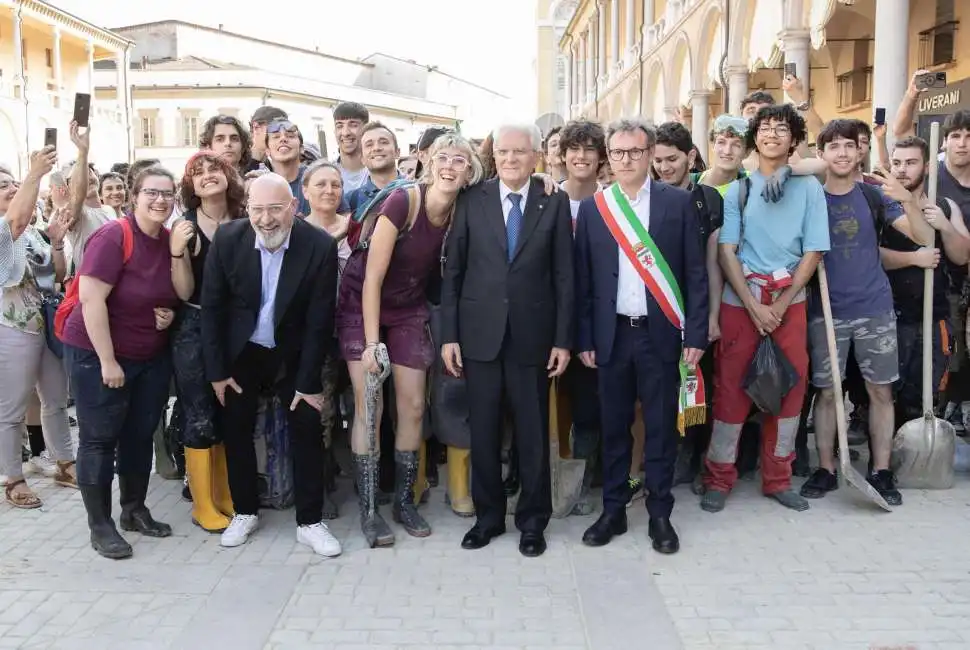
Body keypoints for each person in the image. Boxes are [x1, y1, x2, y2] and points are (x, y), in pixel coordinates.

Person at [338, 132, 483, 544]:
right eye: (444, 158)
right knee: (371, 403)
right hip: (362, 302)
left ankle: (403, 501)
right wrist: (370, 344)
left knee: (415, 405)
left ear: (470, 171)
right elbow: (372, 278)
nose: (451, 166)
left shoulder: (463, 209)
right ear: (428, 162)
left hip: (408, 307)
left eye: (460, 160)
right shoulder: (404, 201)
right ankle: (369, 510)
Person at [574, 119, 708, 554]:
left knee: (660, 429)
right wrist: (585, 338)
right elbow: (584, 279)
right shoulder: (597, 208)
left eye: (635, 151)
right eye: (618, 153)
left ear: (651, 154)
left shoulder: (678, 204)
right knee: (613, 427)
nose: (626, 160)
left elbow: (694, 273)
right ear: (608, 157)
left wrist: (697, 332)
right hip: (612, 335)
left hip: (661, 334)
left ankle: (660, 514)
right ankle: (612, 510)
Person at [441, 122, 573, 558]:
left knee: (533, 434)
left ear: (537, 156)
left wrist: (562, 340)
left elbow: (563, 276)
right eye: (504, 152)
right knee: (483, 432)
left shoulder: (552, 201)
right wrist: (450, 336)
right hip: (479, 336)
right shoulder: (471, 200)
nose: (512, 159)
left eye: (520, 151)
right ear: (493, 155)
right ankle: (489, 518)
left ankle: (533, 522)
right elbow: (454, 272)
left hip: (533, 338)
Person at [201, 173, 340, 557]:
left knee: (307, 426)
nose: (265, 219)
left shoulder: (319, 247)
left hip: (292, 351)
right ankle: (245, 511)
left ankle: (310, 522)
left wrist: (309, 382)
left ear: (293, 207)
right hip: (241, 351)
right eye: (257, 209)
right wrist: (217, 371)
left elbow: (319, 321)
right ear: (247, 208)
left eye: (275, 209)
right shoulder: (228, 239)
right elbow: (211, 309)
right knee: (236, 428)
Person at [703, 105, 830, 513]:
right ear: (753, 139)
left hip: (789, 302)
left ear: (794, 140)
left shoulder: (809, 188)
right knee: (731, 393)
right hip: (740, 303)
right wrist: (754, 306)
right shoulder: (740, 189)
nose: (772, 134)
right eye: (765, 128)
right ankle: (718, 478)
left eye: (782, 128)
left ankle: (778, 478)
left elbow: (813, 250)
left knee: (790, 393)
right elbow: (727, 251)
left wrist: (779, 302)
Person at [61, 166, 181, 559]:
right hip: (98, 352)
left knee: (139, 434)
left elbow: (171, 292)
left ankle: (134, 510)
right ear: (134, 196)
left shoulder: (167, 240)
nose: (160, 200)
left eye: (167, 193)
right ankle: (101, 525)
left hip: (148, 355)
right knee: (98, 439)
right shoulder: (114, 236)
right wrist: (108, 361)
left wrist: (168, 313)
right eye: (152, 193)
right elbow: (91, 299)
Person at [170, 151, 246, 532]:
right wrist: (177, 251)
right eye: (197, 173)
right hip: (195, 325)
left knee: (229, 409)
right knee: (199, 411)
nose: (206, 176)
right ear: (190, 186)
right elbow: (183, 291)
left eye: (213, 168)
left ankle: (224, 492)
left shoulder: (246, 220)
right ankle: (202, 503)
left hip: (238, 327)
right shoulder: (184, 225)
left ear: (228, 175)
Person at [0, 150, 76, 509]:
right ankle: (13, 478)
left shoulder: (31, 233)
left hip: (43, 325)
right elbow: (13, 223)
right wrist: (34, 173)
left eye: (14, 184)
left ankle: (64, 462)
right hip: (10, 328)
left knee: (56, 399)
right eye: (3, 186)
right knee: (11, 409)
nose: (12, 189)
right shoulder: (9, 229)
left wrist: (57, 241)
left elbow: (56, 276)